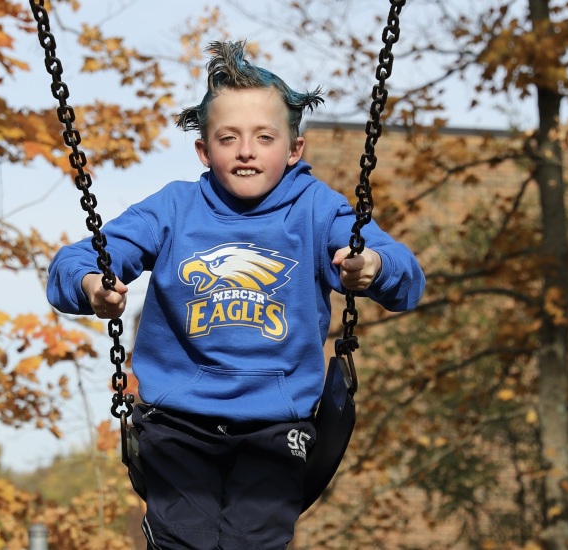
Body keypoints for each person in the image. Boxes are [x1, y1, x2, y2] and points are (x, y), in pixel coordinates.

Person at [47, 40, 425, 550]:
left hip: (275, 425)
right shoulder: (174, 209)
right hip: (176, 422)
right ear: (205, 150)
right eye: (229, 138)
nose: (246, 150)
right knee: (185, 540)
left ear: (293, 149)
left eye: (264, 137)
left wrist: (373, 267)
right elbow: (76, 260)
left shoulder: (317, 210)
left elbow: (407, 278)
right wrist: (94, 285)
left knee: (253, 541)